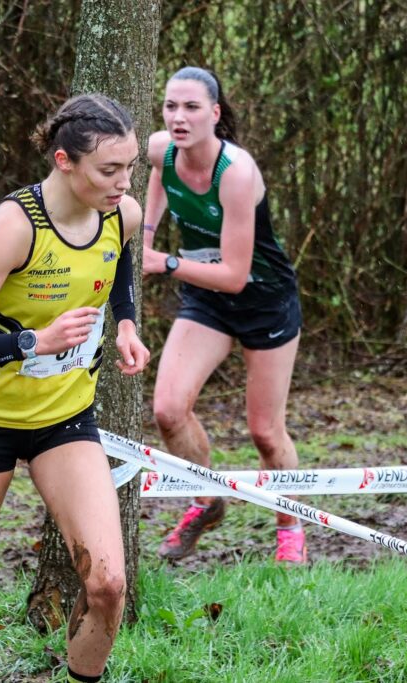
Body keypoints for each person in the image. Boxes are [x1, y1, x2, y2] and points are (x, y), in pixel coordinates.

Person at [0, 94, 150, 683]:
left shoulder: (124, 215)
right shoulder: (15, 226)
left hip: (64, 421)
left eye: (131, 168)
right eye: (109, 170)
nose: (123, 183)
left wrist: (125, 324)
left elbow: (116, 270)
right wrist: (31, 343)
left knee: (108, 584)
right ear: (64, 160)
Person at [142, 67, 306, 564]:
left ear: (214, 113)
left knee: (265, 432)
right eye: (171, 106)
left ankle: (290, 528)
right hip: (205, 299)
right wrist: (145, 236)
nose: (178, 117)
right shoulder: (158, 149)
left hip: (263, 299)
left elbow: (235, 274)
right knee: (168, 410)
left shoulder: (236, 172)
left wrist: (166, 261)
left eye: (191, 107)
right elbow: (158, 179)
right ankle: (207, 501)